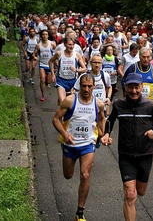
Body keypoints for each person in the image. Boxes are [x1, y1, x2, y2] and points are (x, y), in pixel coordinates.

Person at [102, 73, 153, 221]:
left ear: (142, 87)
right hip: (126, 154)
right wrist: (106, 133)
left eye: (136, 87)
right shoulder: (119, 105)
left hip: (145, 154)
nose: (134, 91)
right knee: (130, 194)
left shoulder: (150, 106)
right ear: (125, 87)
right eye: (130, 87)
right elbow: (110, 120)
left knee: (141, 192)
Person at [52, 73, 106, 221]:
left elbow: (102, 118)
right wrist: (65, 134)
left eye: (89, 86)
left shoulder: (98, 104)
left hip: (87, 145)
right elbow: (56, 119)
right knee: (68, 175)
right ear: (79, 86)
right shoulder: (70, 101)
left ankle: (80, 212)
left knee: (85, 175)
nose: (87, 89)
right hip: (70, 144)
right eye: (84, 86)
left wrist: (102, 135)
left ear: (94, 86)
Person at [49, 36, 87, 106]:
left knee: (70, 103)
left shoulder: (77, 55)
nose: (71, 46)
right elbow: (51, 61)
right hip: (61, 81)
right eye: (69, 44)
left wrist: (76, 70)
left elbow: (84, 68)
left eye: (73, 45)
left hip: (73, 82)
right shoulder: (59, 54)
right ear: (65, 45)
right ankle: (62, 114)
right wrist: (53, 74)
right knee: (63, 102)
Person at [32, 29, 56, 101]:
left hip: (50, 64)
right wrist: (35, 57)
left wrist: (55, 59)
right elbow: (34, 54)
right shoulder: (38, 45)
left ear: (48, 36)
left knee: (48, 82)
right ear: (41, 36)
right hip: (42, 64)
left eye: (46, 34)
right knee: (42, 79)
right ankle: (43, 95)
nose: (45, 36)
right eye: (43, 34)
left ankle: (47, 80)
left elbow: (56, 52)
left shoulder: (52, 44)